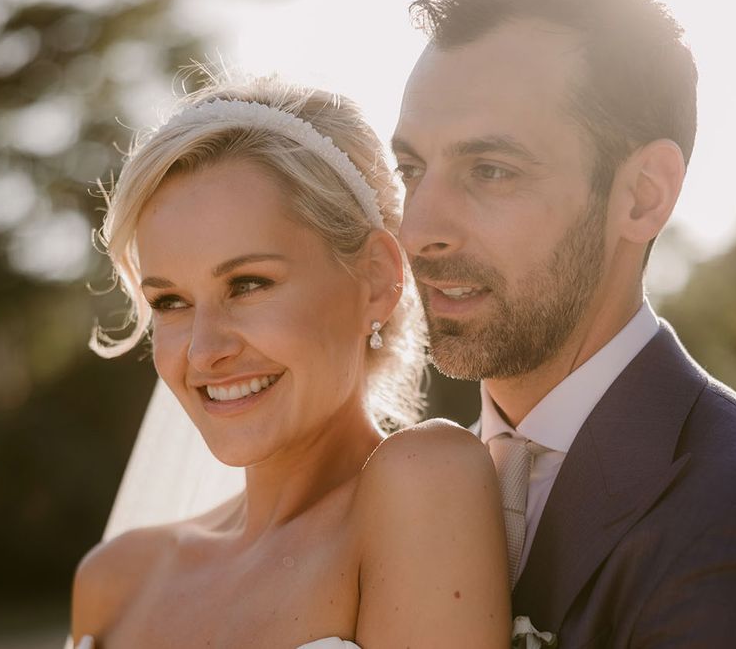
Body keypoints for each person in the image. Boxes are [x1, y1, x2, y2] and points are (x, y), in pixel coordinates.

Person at [70, 75, 512, 648]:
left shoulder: (426, 481)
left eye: (248, 284)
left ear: (376, 278)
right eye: (170, 302)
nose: (204, 350)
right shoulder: (114, 580)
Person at [393, 0, 736, 648]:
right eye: (411, 171)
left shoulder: (724, 502)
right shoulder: (394, 501)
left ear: (642, 194)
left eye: (490, 171)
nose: (417, 231)